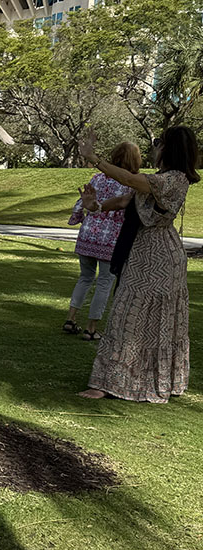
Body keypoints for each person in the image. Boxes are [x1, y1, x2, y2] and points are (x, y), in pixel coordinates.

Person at [78, 126, 198, 403]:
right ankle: (134, 379)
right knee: (135, 315)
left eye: (159, 142)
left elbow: (130, 181)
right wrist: (95, 206)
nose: (155, 147)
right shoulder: (160, 179)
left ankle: (115, 383)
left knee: (131, 317)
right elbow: (125, 200)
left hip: (158, 258)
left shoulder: (174, 180)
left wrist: (93, 158)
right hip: (145, 253)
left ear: (170, 148)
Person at [64, 141, 141, 340]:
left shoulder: (97, 178)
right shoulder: (131, 182)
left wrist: (79, 219)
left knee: (85, 277)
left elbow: (81, 202)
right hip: (111, 238)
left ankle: (71, 319)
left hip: (89, 234)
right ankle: (91, 328)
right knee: (105, 282)